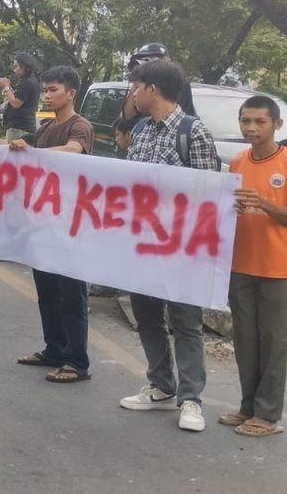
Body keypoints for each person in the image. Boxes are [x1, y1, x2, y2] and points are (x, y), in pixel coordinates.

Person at [120, 59, 219, 432]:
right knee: (147, 316)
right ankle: (161, 386)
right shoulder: (141, 128)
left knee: (185, 321)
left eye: (136, 87)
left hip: (182, 247)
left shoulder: (193, 132)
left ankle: (191, 399)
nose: (133, 94)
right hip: (142, 244)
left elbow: (209, 195)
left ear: (153, 89)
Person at [9, 66, 94, 383]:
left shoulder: (79, 126)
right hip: (43, 222)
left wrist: (33, 152)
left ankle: (76, 361)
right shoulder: (44, 128)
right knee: (47, 291)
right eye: (45, 90)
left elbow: (73, 151)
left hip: (71, 224)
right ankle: (54, 349)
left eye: (54, 90)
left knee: (71, 294)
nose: (47, 95)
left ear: (71, 93)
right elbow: (24, 155)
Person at [222, 95, 287, 437]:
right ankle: (248, 406)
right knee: (245, 339)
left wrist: (263, 203)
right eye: (245, 121)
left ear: (277, 124)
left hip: (279, 268)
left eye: (260, 121)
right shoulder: (236, 162)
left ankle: (268, 414)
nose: (251, 128)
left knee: (274, 342)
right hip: (240, 264)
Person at [0, 51, 40, 142]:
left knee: (14, 151)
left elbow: (16, 103)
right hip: (25, 126)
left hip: (19, 127)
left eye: (15, 67)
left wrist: (6, 87)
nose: (14, 70)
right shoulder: (32, 81)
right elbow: (19, 98)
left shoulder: (28, 82)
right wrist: (8, 89)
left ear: (23, 67)